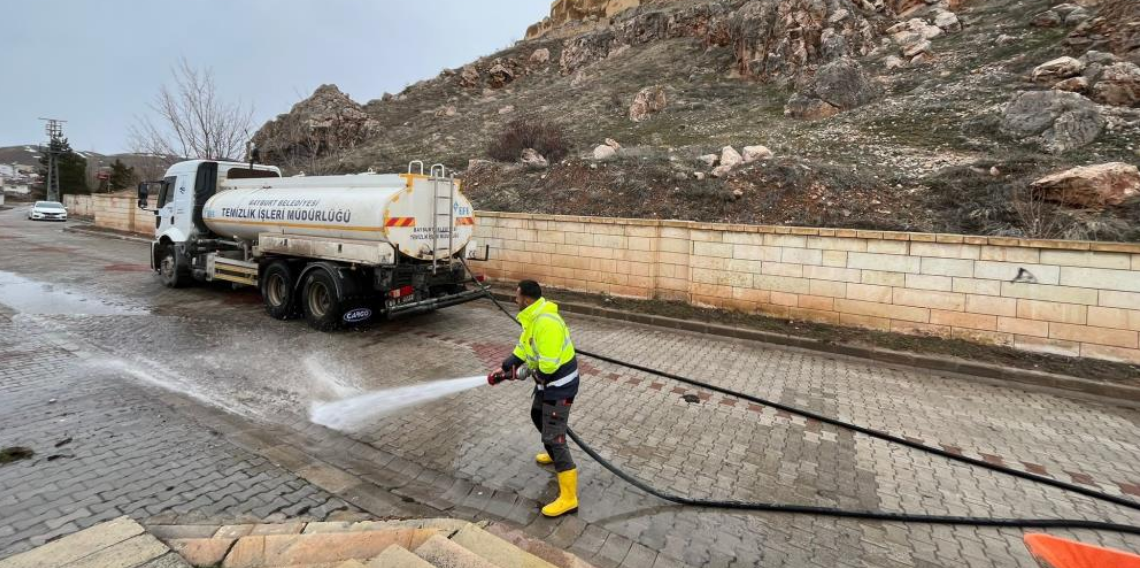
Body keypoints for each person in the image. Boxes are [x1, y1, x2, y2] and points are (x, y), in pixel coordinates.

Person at [487, 280, 580, 517]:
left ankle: (569, 498)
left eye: (516, 296)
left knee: (554, 436)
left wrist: (519, 374)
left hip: (559, 386)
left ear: (526, 298)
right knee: (536, 414)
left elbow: (547, 367)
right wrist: (506, 366)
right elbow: (524, 348)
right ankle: (551, 451)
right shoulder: (532, 318)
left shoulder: (547, 324)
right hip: (547, 384)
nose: (514, 300)